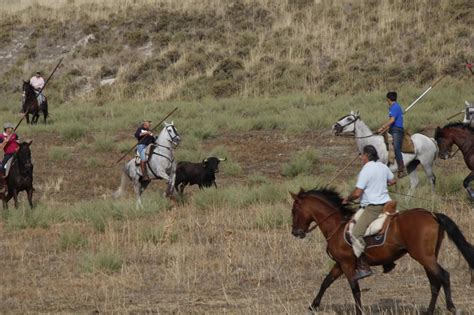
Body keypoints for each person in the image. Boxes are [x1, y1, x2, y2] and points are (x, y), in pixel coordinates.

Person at [342, 145, 397, 281]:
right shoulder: (383, 166)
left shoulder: (365, 170)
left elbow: (357, 193)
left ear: (366, 155)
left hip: (374, 207)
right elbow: (393, 180)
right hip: (387, 205)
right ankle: (387, 261)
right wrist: (384, 183)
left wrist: (347, 199)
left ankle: (363, 267)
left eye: (361, 155)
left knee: (355, 233)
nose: (360, 158)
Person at [377, 91, 407, 178]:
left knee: (396, 147)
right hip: (393, 129)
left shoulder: (394, 107)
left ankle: (401, 168)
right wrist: (385, 128)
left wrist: (382, 127)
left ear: (388, 99)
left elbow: (392, 120)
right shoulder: (395, 107)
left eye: (387, 99)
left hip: (397, 130)